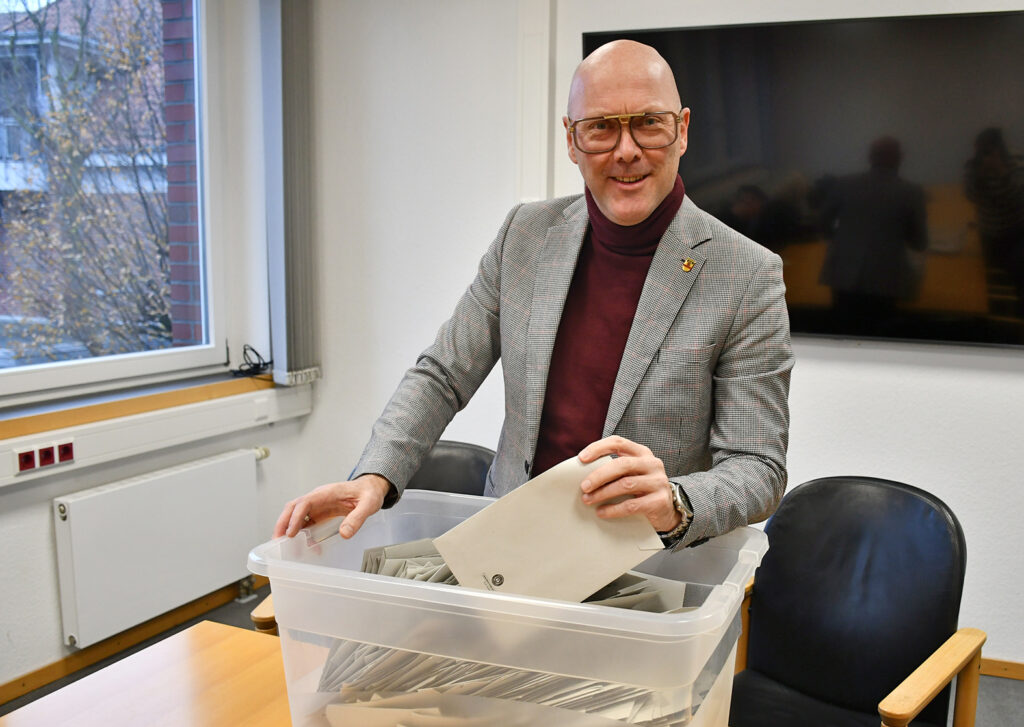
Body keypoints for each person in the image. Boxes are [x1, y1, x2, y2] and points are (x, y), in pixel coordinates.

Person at [275, 40, 793, 551]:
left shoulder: (747, 274)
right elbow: (442, 374)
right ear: (571, 140)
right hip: (512, 551)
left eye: (648, 123)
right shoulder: (524, 235)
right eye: (601, 127)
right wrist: (375, 474)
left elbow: (758, 467)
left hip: (650, 570)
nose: (627, 149)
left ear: (681, 130)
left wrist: (676, 501)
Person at [818, 136, 928, 333]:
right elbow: (919, 242)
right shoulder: (911, 192)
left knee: (843, 331)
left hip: (843, 275)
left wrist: (844, 238)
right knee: (878, 336)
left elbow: (822, 224)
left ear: (870, 158)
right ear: (899, 158)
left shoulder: (843, 184)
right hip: (885, 281)